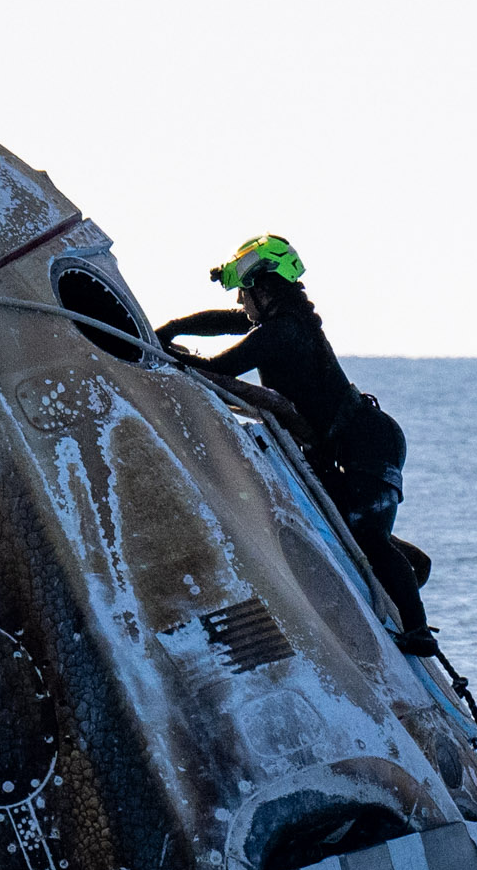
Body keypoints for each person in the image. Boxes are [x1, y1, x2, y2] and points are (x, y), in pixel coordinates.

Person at [156, 236, 439, 653]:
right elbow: (228, 321)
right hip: (353, 445)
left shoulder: (284, 331)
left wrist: (166, 348)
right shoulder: (283, 322)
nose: (240, 300)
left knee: (369, 535)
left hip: (369, 443)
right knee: (351, 526)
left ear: (264, 289)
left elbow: (224, 367)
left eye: (244, 291)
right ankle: (414, 567)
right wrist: (173, 328)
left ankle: (417, 631)